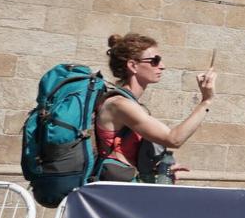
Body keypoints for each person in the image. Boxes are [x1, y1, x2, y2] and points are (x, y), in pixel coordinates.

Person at [91, 33, 216, 185]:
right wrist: (206, 101)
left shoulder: (132, 105)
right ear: (133, 66)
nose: (162, 66)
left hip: (124, 186)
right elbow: (174, 139)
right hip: (114, 191)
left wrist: (159, 170)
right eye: (155, 61)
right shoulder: (119, 104)